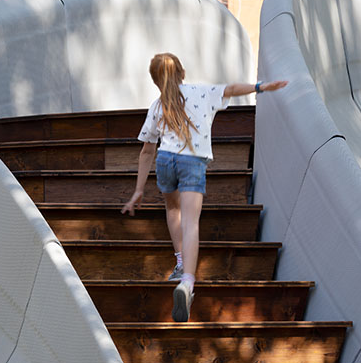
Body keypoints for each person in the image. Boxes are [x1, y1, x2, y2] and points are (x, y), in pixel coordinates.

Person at [121, 52, 287, 322]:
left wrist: (138, 190)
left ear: (155, 81)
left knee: (172, 210)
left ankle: (179, 261)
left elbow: (146, 151)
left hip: (165, 160)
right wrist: (260, 87)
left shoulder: (157, 105)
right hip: (192, 162)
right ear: (182, 73)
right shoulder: (202, 92)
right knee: (191, 223)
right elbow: (232, 89)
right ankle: (187, 282)